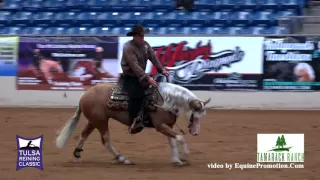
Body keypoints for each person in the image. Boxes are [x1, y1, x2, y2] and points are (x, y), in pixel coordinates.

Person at [121, 24, 169, 134]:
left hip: (141, 75)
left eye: (143, 36)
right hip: (131, 76)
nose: (142, 38)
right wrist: (147, 78)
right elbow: (134, 66)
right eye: (140, 36)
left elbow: (154, 58)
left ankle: (147, 116)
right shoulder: (128, 48)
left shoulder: (145, 45)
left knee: (154, 92)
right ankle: (133, 122)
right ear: (134, 36)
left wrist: (162, 70)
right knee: (137, 95)